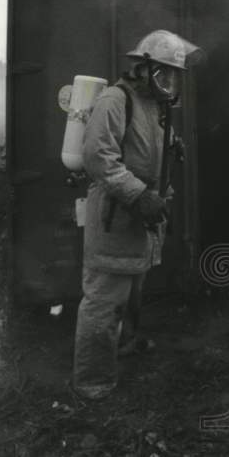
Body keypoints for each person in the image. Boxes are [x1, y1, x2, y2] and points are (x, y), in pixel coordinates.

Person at [72, 30, 203, 400]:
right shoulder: (116, 100)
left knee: (131, 291)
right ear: (142, 68)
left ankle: (124, 345)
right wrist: (139, 195)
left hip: (140, 219)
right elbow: (98, 158)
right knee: (104, 300)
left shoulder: (154, 107)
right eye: (164, 73)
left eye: (175, 75)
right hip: (116, 215)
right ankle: (92, 382)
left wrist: (169, 151)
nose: (171, 81)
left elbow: (147, 153)